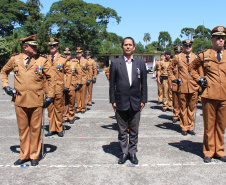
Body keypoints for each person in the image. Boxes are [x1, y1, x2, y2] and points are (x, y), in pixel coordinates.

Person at [1, 35, 55, 166]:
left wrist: (50, 96)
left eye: (36, 46)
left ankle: (34, 155)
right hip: (20, 100)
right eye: (33, 46)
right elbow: (3, 72)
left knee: (36, 129)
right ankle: (24, 154)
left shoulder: (42, 60)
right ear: (25, 47)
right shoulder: (15, 59)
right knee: (23, 129)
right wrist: (6, 86)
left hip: (36, 100)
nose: (36, 48)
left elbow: (51, 77)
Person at [189, 26, 226, 163]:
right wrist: (199, 79)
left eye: (222, 38)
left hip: (224, 96)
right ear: (212, 39)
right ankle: (209, 151)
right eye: (217, 37)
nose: (220, 40)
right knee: (209, 125)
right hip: (209, 94)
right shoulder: (205, 55)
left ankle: (220, 150)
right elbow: (191, 68)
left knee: (221, 125)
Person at [109, 37, 147, 164]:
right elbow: (112, 84)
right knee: (122, 129)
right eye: (126, 45)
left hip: (136, 101)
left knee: (134, 129)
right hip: (121, 101)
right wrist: (113, 100)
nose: (128, 47)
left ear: (134, 47)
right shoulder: (115, 63)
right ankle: (124, 152)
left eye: (130, 45)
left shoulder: (140, 63)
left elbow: (144, 83)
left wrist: (144, 100)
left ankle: (133, 152)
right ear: (122, 47)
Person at [168, 40, 201, 135]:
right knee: (183, 108)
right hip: (182, 86)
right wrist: (174, 79)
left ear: (192, 46)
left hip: (193, 86)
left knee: (192, 108)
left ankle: (190, 127)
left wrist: (200, 85)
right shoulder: (178, 57)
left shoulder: (196, 57)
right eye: (186, 45)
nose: (188, 47)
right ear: (183, 46)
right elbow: (170, 68)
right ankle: (184, 127)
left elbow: (200, 71)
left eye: (189, 45)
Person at [45, 37, 72, 137]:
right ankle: (51, 128)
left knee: (59, 108)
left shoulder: (63, 59)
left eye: (54, 45)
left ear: (57, 46)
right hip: (48, 88)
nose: (52, 47)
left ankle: (59, 128)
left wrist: (67, 85)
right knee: (50, 108)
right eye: (50, 45)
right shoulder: (44, 58)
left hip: (59, 87)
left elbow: (69, 73)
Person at [63, 47, 82, 124]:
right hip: (63, 84)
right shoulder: (60, 62)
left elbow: (79, 73)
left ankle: (71, 116)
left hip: (72, 84)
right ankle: (65, 115)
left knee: (71, 101)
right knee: (64, 101)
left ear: (71, 54)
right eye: (65, 54)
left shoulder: (74, 62)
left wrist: (79, 83)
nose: (67, 55)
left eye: (68, 54)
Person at [74, 47, 92, 113]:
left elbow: (90, 70)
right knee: (77, 94)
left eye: (79, 52)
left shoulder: (85, 61)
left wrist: (89, 79)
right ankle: (78, 107)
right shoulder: (73, 61)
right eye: (77, 52)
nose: (78, 54)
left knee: (83, 94)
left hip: (84, 79)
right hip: (76, 80)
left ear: (82, 53)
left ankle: (83, 107)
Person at [171, 46, 183, 123]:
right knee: (175, 102)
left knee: (183, 102)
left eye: (179, 52)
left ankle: (182, 116)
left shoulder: (184, 62)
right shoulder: (172, 63)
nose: (178, 54)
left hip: (183, 85)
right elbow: (170, 74)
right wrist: (170, 84)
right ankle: (176, 115)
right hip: (175, 85)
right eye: (176, 53)